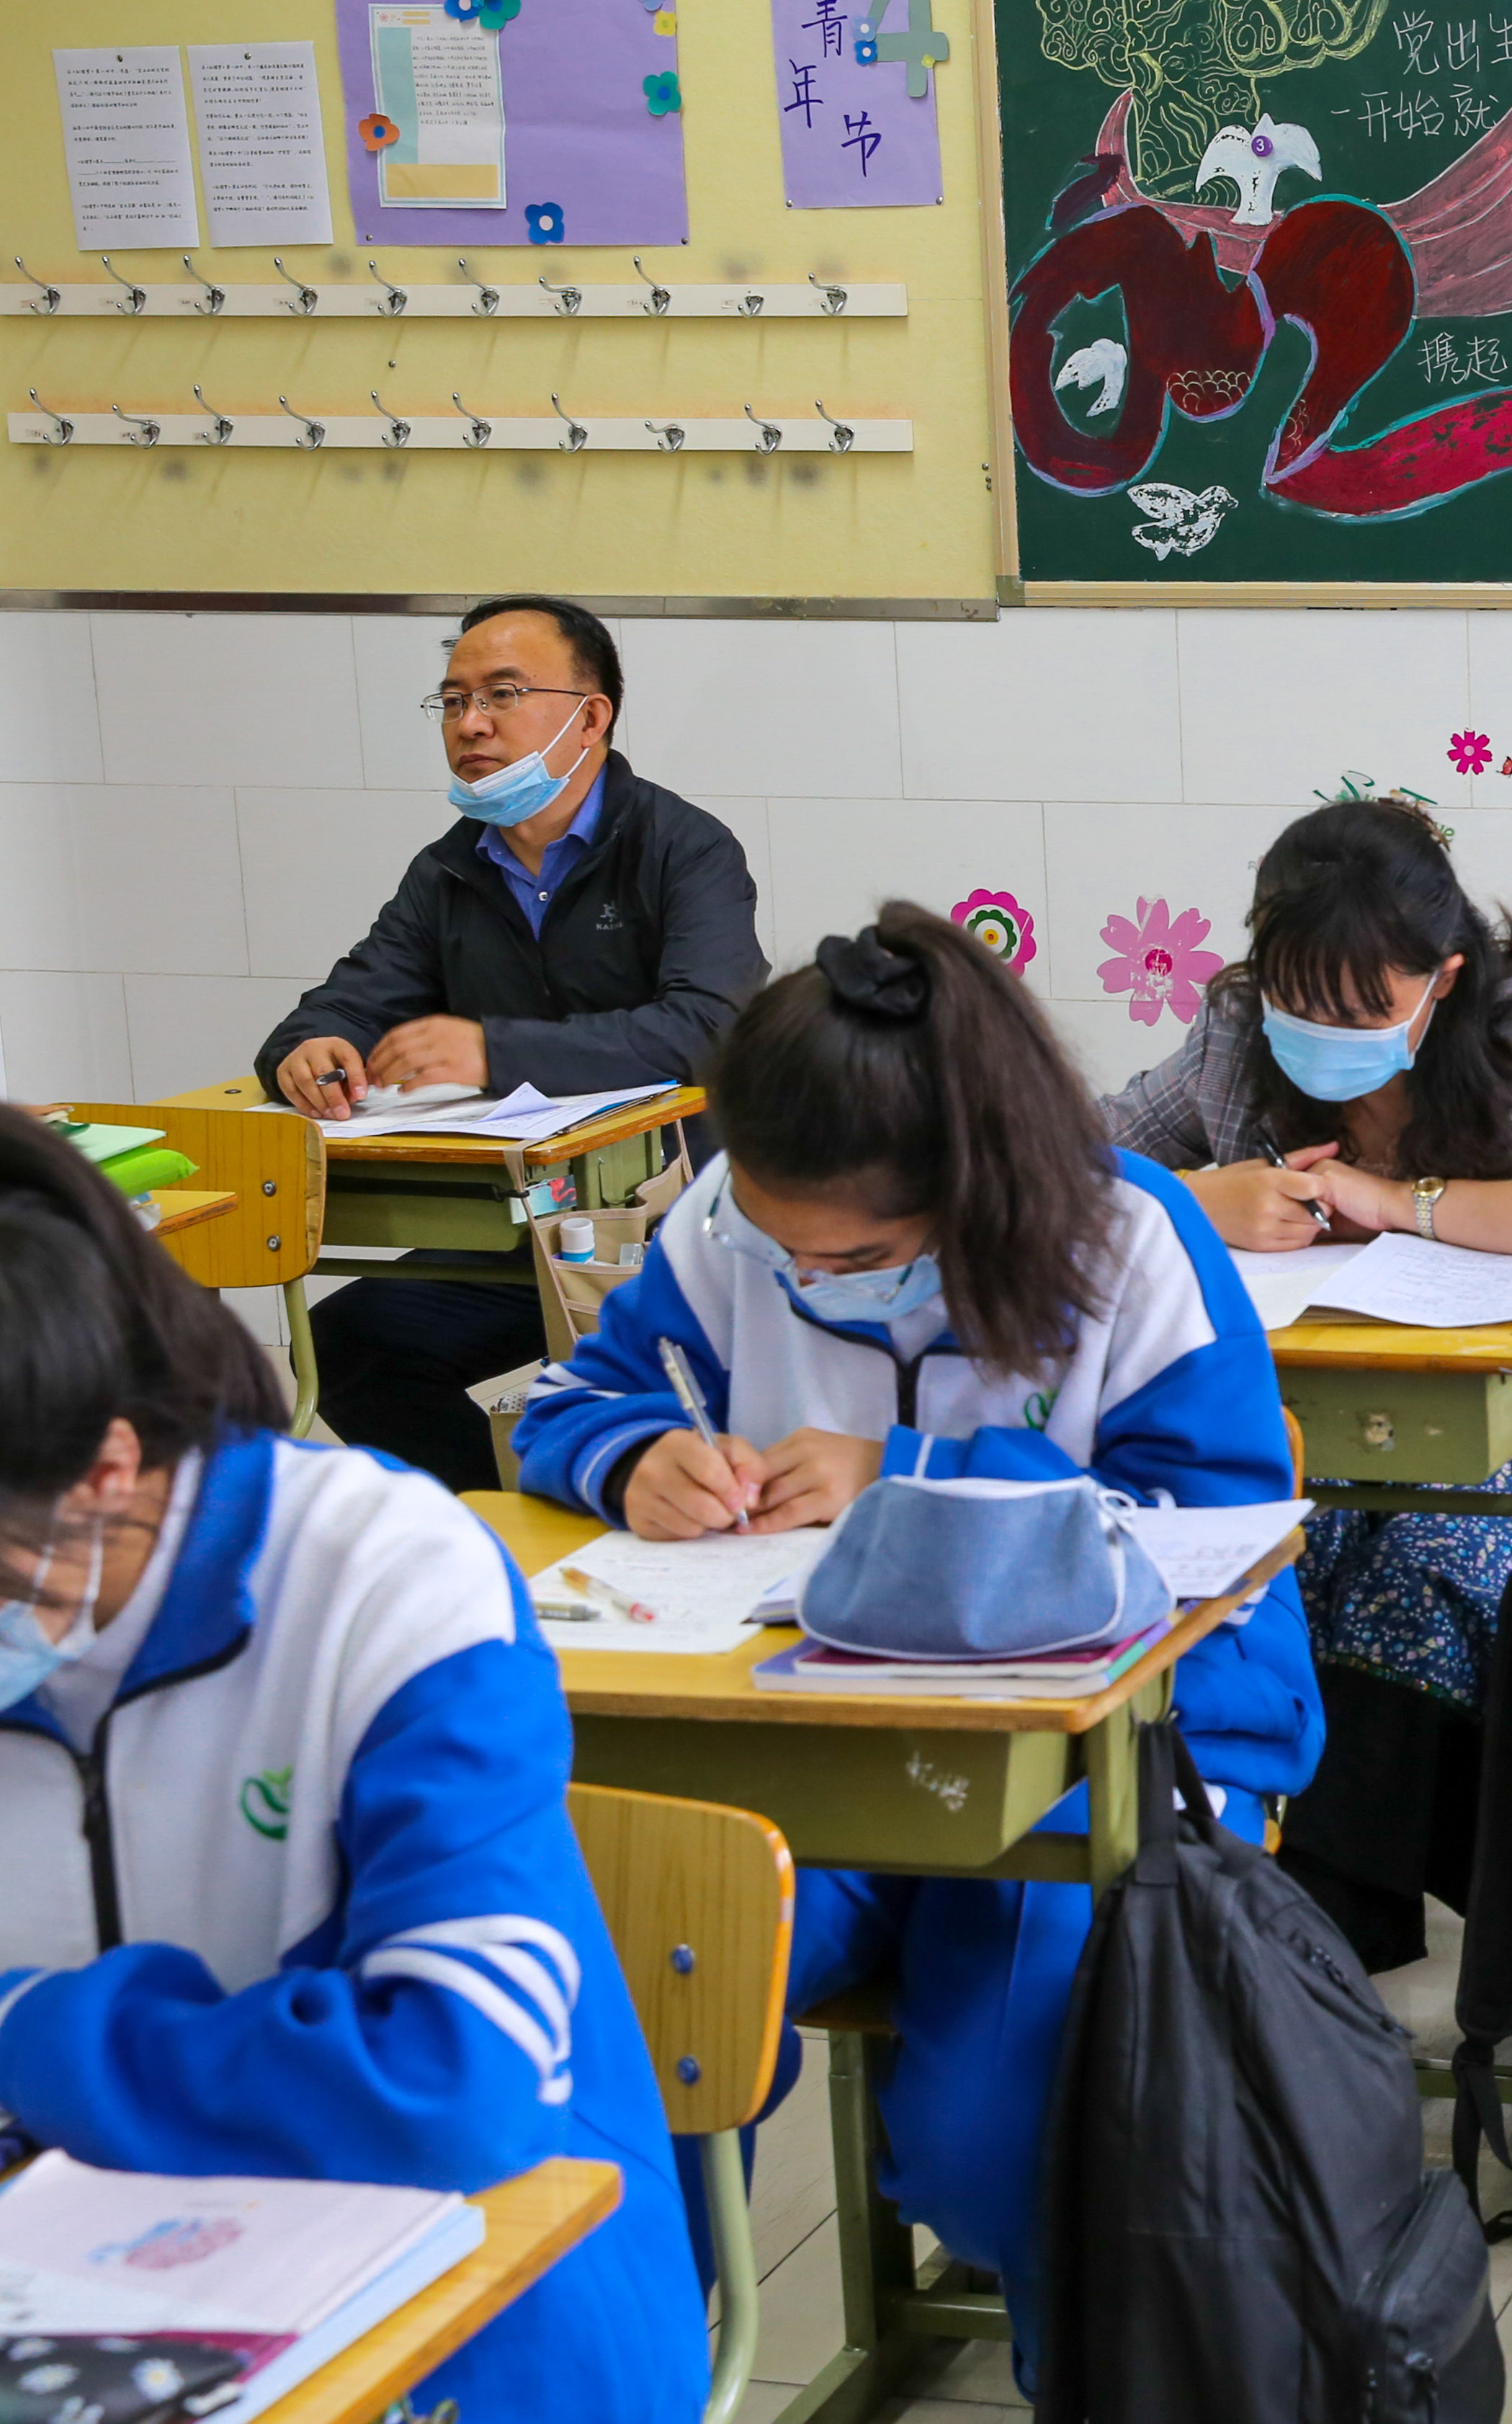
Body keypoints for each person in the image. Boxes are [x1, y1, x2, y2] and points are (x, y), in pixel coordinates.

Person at [511, 904, 1320, 2368]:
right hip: (815, 1741)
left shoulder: (1128, 1237)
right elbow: (578, 1399)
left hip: (1121, 1752)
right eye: (779, 1245)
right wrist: (634, 1457)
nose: (806, 1276)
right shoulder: (731, 1223)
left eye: (859, 1253)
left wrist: (909, 1474)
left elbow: (1217, 1542)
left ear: (969, 1185)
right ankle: (632, 2361)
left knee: (994, 2136)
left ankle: (1099, 2369)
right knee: (636, 1989)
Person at [0, 1108, 702, 2424]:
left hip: (465, 2314)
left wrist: (27, 2033)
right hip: (76, 2299)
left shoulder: (379, 1575)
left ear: (103, 1472)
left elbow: (449, 2085)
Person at [1096, 796, 1512, 1972]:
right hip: (1317, 1423)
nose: (1322, 1030)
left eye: (1363, 1009)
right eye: (1298, 999)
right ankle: (1320, 1934)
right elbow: (1068, 1156)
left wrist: (1399, 1202)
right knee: (1266, 1563)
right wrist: (1198, 1197)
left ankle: (1444, 1931)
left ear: (1443, 979)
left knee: (1419, 1573)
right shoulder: (1233, 1034)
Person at [254, 596, 767, 1494]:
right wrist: (310, 1045)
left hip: (680, 1226)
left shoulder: (683, 849)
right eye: (453, 701)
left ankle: (601, 1498)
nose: (472, 723)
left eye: (502, 694)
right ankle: (508, 1517)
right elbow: (342, 1003)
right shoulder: (450, 870)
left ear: (590, 717)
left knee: (646, 1393)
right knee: (348, 1348)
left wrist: (494, 1052)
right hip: (521, 1226)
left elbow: (708, 1029)